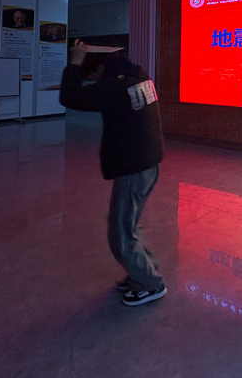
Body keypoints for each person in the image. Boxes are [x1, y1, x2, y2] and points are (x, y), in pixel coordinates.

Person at [59, 40, 166, 307]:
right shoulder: (138, 75)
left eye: (93, 76)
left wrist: (75, 62)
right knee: (129, 225)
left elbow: (69, 97)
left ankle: (150, 284)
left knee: (120, 232)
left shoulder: (114, 86)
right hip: (148, 164)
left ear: (99, 70)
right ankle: (142, 270)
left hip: (133, 168)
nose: (94, 81)